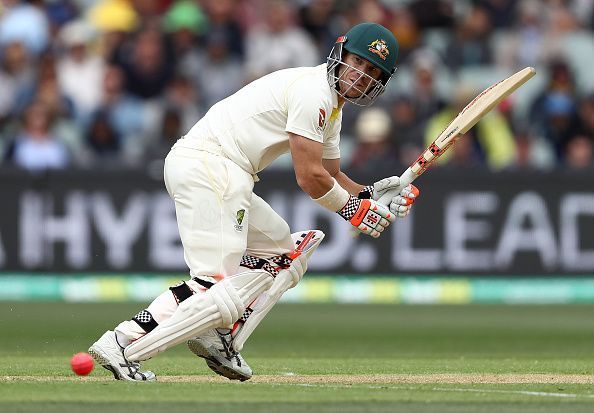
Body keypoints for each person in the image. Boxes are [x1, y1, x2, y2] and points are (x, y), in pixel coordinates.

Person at [88, 22, 420, 382]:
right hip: (211, 164)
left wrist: (370, 195)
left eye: (373, 72)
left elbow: (330, 172)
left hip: (225, 172)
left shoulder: (332, 107)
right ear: (340, 53)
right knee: (211, 282)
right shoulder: (314, 94)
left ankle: (217, 335)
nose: (361, 75)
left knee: (282, 253)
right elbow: (309, 177)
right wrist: (354, 210)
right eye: (358, 62)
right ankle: (123, 341)